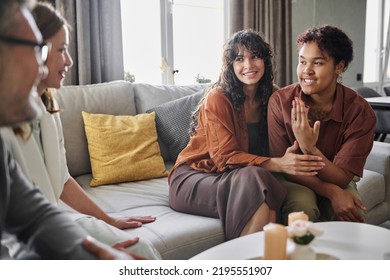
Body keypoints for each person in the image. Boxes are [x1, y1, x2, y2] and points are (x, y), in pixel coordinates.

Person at [0, 2, 160, 260]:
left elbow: (34, 218)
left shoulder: (42, 113)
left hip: (51, 227)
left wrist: (94, 253)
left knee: (137, 252)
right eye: (37, 51)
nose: (41, 69)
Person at [168, 29, 325, 240]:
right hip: (195, 177)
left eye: (255, 56)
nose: (249, 65)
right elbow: (224, 157)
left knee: (260, 182)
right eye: (240, 59)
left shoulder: (272, 96)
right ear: (231, 66)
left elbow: (285, 139)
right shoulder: (218, 98)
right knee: (257, 179)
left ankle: (262, 262)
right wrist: (277, 163)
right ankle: (244, 264)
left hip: (241, 177)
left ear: (265, 61)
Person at [268, 25, 376, 225]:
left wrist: (309, 148)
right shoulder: (280, 102)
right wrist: (331, 191)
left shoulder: (359, 112)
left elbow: (342, 178)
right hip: (292, 178)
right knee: (303, 207)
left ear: (339, 67)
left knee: (352, 214)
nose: (306, 71)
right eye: (302, 62)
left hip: (337, 177)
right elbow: (283, 165)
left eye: (317, 63)